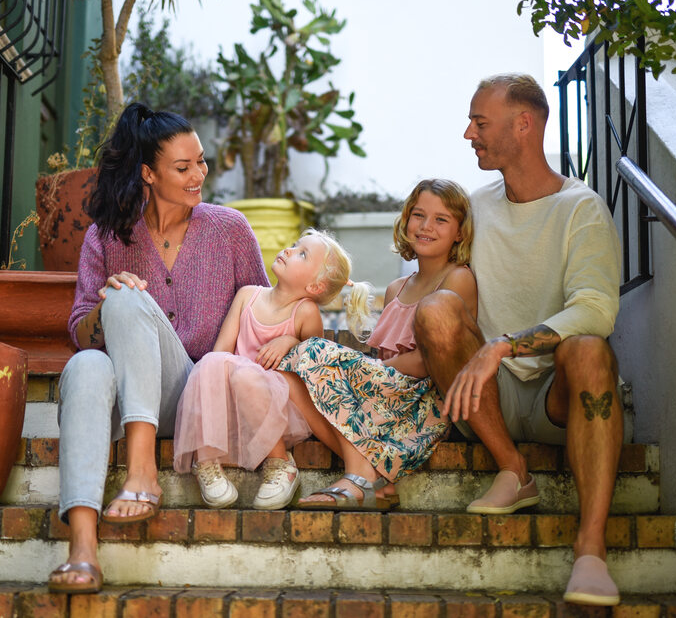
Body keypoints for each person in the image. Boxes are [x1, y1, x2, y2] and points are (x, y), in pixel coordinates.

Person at [413, 74, 623, 606]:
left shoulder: (581, 208)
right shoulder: (476, 208)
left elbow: (596, 309)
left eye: (480, 122)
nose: (468, 134)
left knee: (590, 347)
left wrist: (503, 343)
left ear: (523, 124)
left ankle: (591, 550)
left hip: (560, 393)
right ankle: (513, 469)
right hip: (490, 399)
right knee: (436, 310)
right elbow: (431, 269)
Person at [47, 103, 269, 594]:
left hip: (195, 392)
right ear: (148, 173)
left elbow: (263, 312)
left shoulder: (229, 228)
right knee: (86, 363)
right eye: (183, 167)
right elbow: (78, 330)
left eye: (202, 162)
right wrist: (105, 309)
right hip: (127, 396)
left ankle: (142, 470)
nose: (199, 175)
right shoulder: (106, 237)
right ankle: (82, 548)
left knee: (126, 297)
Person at [278, 179, 477, 509]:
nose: (426, 226)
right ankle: (369, 476)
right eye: (418, 215)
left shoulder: (458, 278)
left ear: (459, 232)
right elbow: (382, 360)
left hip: (421, 403)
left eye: (441, 219)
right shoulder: (396, 288)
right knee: (288, 375)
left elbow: (434, 361)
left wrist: (367, 367)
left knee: (312, 351)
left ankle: (360, 478)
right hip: (388, 394)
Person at [173, 229, 372, 510]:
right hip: (233, 407)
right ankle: (206, 462)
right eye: (294, 245)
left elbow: (312, 373)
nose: (289, 250)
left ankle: (280, 464)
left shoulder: (305, 312)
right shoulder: (247, 296)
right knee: (211, 362)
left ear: (315, 287)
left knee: (246, 376)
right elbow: (220, 353)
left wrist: (290, 340)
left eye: (302, 254)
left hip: (279, 412)